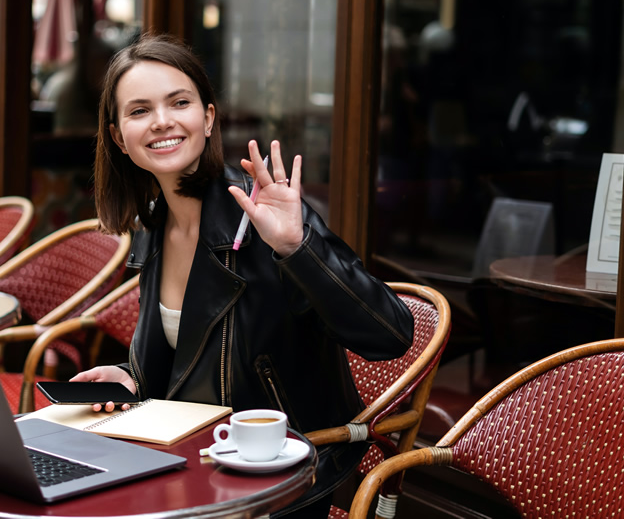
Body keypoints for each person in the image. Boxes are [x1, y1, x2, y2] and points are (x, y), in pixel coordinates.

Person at [72, 34, 415, 517]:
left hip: (273, 476)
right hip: (187, 462)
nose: (163, 121)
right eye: (139, 110)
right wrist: (130, 378)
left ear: (208, 118)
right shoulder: (152, 224)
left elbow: (392, 335)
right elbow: (193, 361)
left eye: (179, 102)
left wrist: (297, 249)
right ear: (117, 137)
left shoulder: (260, 215)